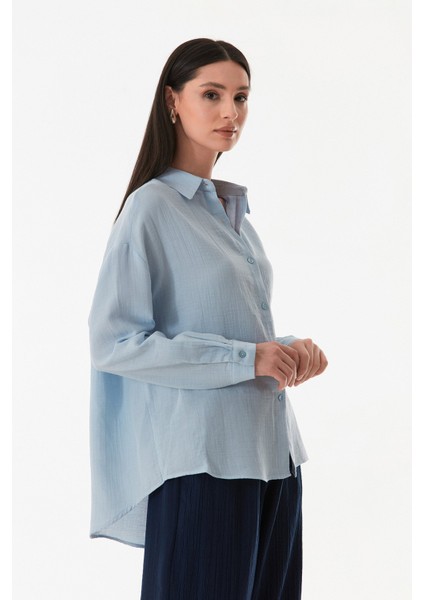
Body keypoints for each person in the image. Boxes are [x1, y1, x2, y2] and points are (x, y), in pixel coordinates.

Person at [88, 38, 328, 600]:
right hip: (205, 465)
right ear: (173, 101)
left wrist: (287, 349)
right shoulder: (150, 208)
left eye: (241, 97)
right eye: (212, 94)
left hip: (275, 459)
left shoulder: (233, 213)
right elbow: (115, 342)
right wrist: (248, 358)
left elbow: (235, 333)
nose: (230, 113)